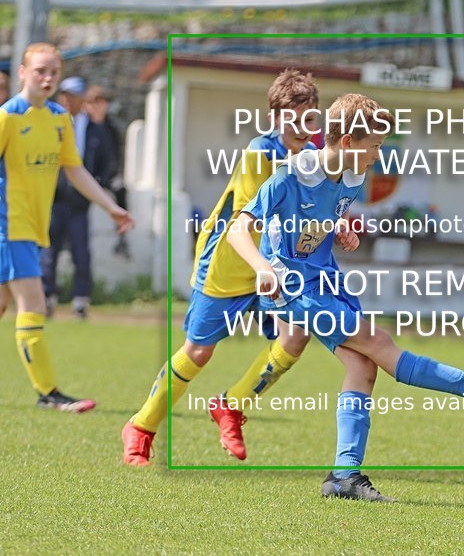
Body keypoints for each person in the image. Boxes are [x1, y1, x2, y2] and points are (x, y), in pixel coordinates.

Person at [227, 93, 464, 502]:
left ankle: (344, 477)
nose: (378, 156)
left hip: (326, 281)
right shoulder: (290, 176)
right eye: (375, 146)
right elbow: (238, 230)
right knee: (378, 343)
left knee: (364, 367)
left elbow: (322, 218)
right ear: (347, 142)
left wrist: (339, 228)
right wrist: (262, 267)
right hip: (291, 286)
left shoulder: (351, 177)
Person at [121, 69, 371, 466]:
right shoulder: (262, 152)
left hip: (278, 267)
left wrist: (337, 222)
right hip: (232, 261)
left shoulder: (322, 152)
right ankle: (141, 427)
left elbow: (321, 203)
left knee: (296, 336)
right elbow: (268, 217)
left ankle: (232, 405)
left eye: (312, 118)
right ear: (276, 118)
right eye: (296, 117)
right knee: (199, 352)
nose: (306, 127)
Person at [0, 43, 133, 413]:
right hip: (9, 226)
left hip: (32, 226)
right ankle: (49, 393)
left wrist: (110, 207)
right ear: (22, 72)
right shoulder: (8, 117)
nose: (47, 78)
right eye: (40, 70)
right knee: (35, 303)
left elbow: (74, 169)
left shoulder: (60, 118)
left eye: (53, 73)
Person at [40, 76, 118, 319]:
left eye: (71, 95)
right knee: (49, 251)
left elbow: (109, 161)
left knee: (80, 251)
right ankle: (47, 296)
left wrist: (97, 184)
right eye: (64, 95)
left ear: (81, 98)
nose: (66, 99)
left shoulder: (97, 129)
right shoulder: (51, 124)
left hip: (80, 202)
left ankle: (81, 300)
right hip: (55, 199)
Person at [85, 84, 130, 259]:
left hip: (107, 177)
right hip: (86, 176)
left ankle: (122, 238)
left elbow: (115, 157)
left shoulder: (112, 128)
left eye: (100, 102)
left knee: (121, 189)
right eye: (93, 102)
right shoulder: (83, 127)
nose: (97, 106)